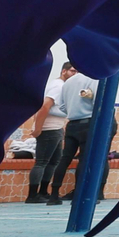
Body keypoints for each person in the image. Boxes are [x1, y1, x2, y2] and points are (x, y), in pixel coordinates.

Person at [45, 66, 98, 205]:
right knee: (84, 159)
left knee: (64, 159)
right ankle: (79, 194)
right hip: (88, 123)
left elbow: (62, 106)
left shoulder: (68, 82)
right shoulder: (94, 78)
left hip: (72, 124)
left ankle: (54, 195)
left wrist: (73, 110)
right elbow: (98, 102)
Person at [26, 62, 73, 203]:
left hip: (57, 128)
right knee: (42, 162)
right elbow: (45, 107)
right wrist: (38, 128)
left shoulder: (64, 86)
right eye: (72, 71)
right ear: (63, 71)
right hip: (49, 128)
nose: (74, 74)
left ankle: (43, 192)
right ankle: (32, 195)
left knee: (53, 161)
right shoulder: (57, 86)